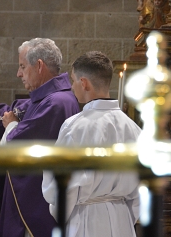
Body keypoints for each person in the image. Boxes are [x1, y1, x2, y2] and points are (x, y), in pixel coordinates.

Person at [0, 38, 80, 237]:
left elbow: (21, 141)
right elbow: (3, 115)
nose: (19, 74)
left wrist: (11, 126)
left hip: (36, 205)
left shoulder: (57, 102)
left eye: (22, 67)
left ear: (39, 66)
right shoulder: (48, 99)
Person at [42, 51, 142, 237]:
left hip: (86, 220)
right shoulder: (134, 129)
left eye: (73, 80)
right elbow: (141, 191)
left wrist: (59, 213)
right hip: (122, 221)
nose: (72, 87)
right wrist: (124, 215)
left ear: (84, 83)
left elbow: (60, 183)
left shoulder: (75, 127)